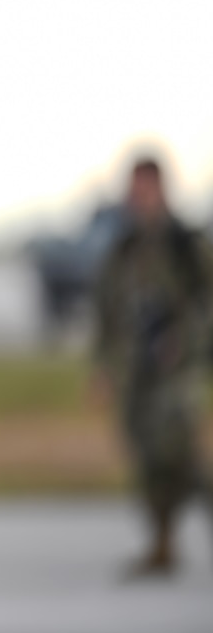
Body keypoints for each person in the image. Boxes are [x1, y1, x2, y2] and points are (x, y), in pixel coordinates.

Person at [91, 155, 213, 578]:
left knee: (182, 455)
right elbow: (106, 311)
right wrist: (103, 367)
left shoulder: (184, 242)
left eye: (144, 188)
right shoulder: (124, 247)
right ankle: (163, 545)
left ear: (161, 189)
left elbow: (205, 303)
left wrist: (184, 339)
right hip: (136, 367)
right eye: (133, 188)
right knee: (146, 457)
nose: (136, 197)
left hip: (176, 367)